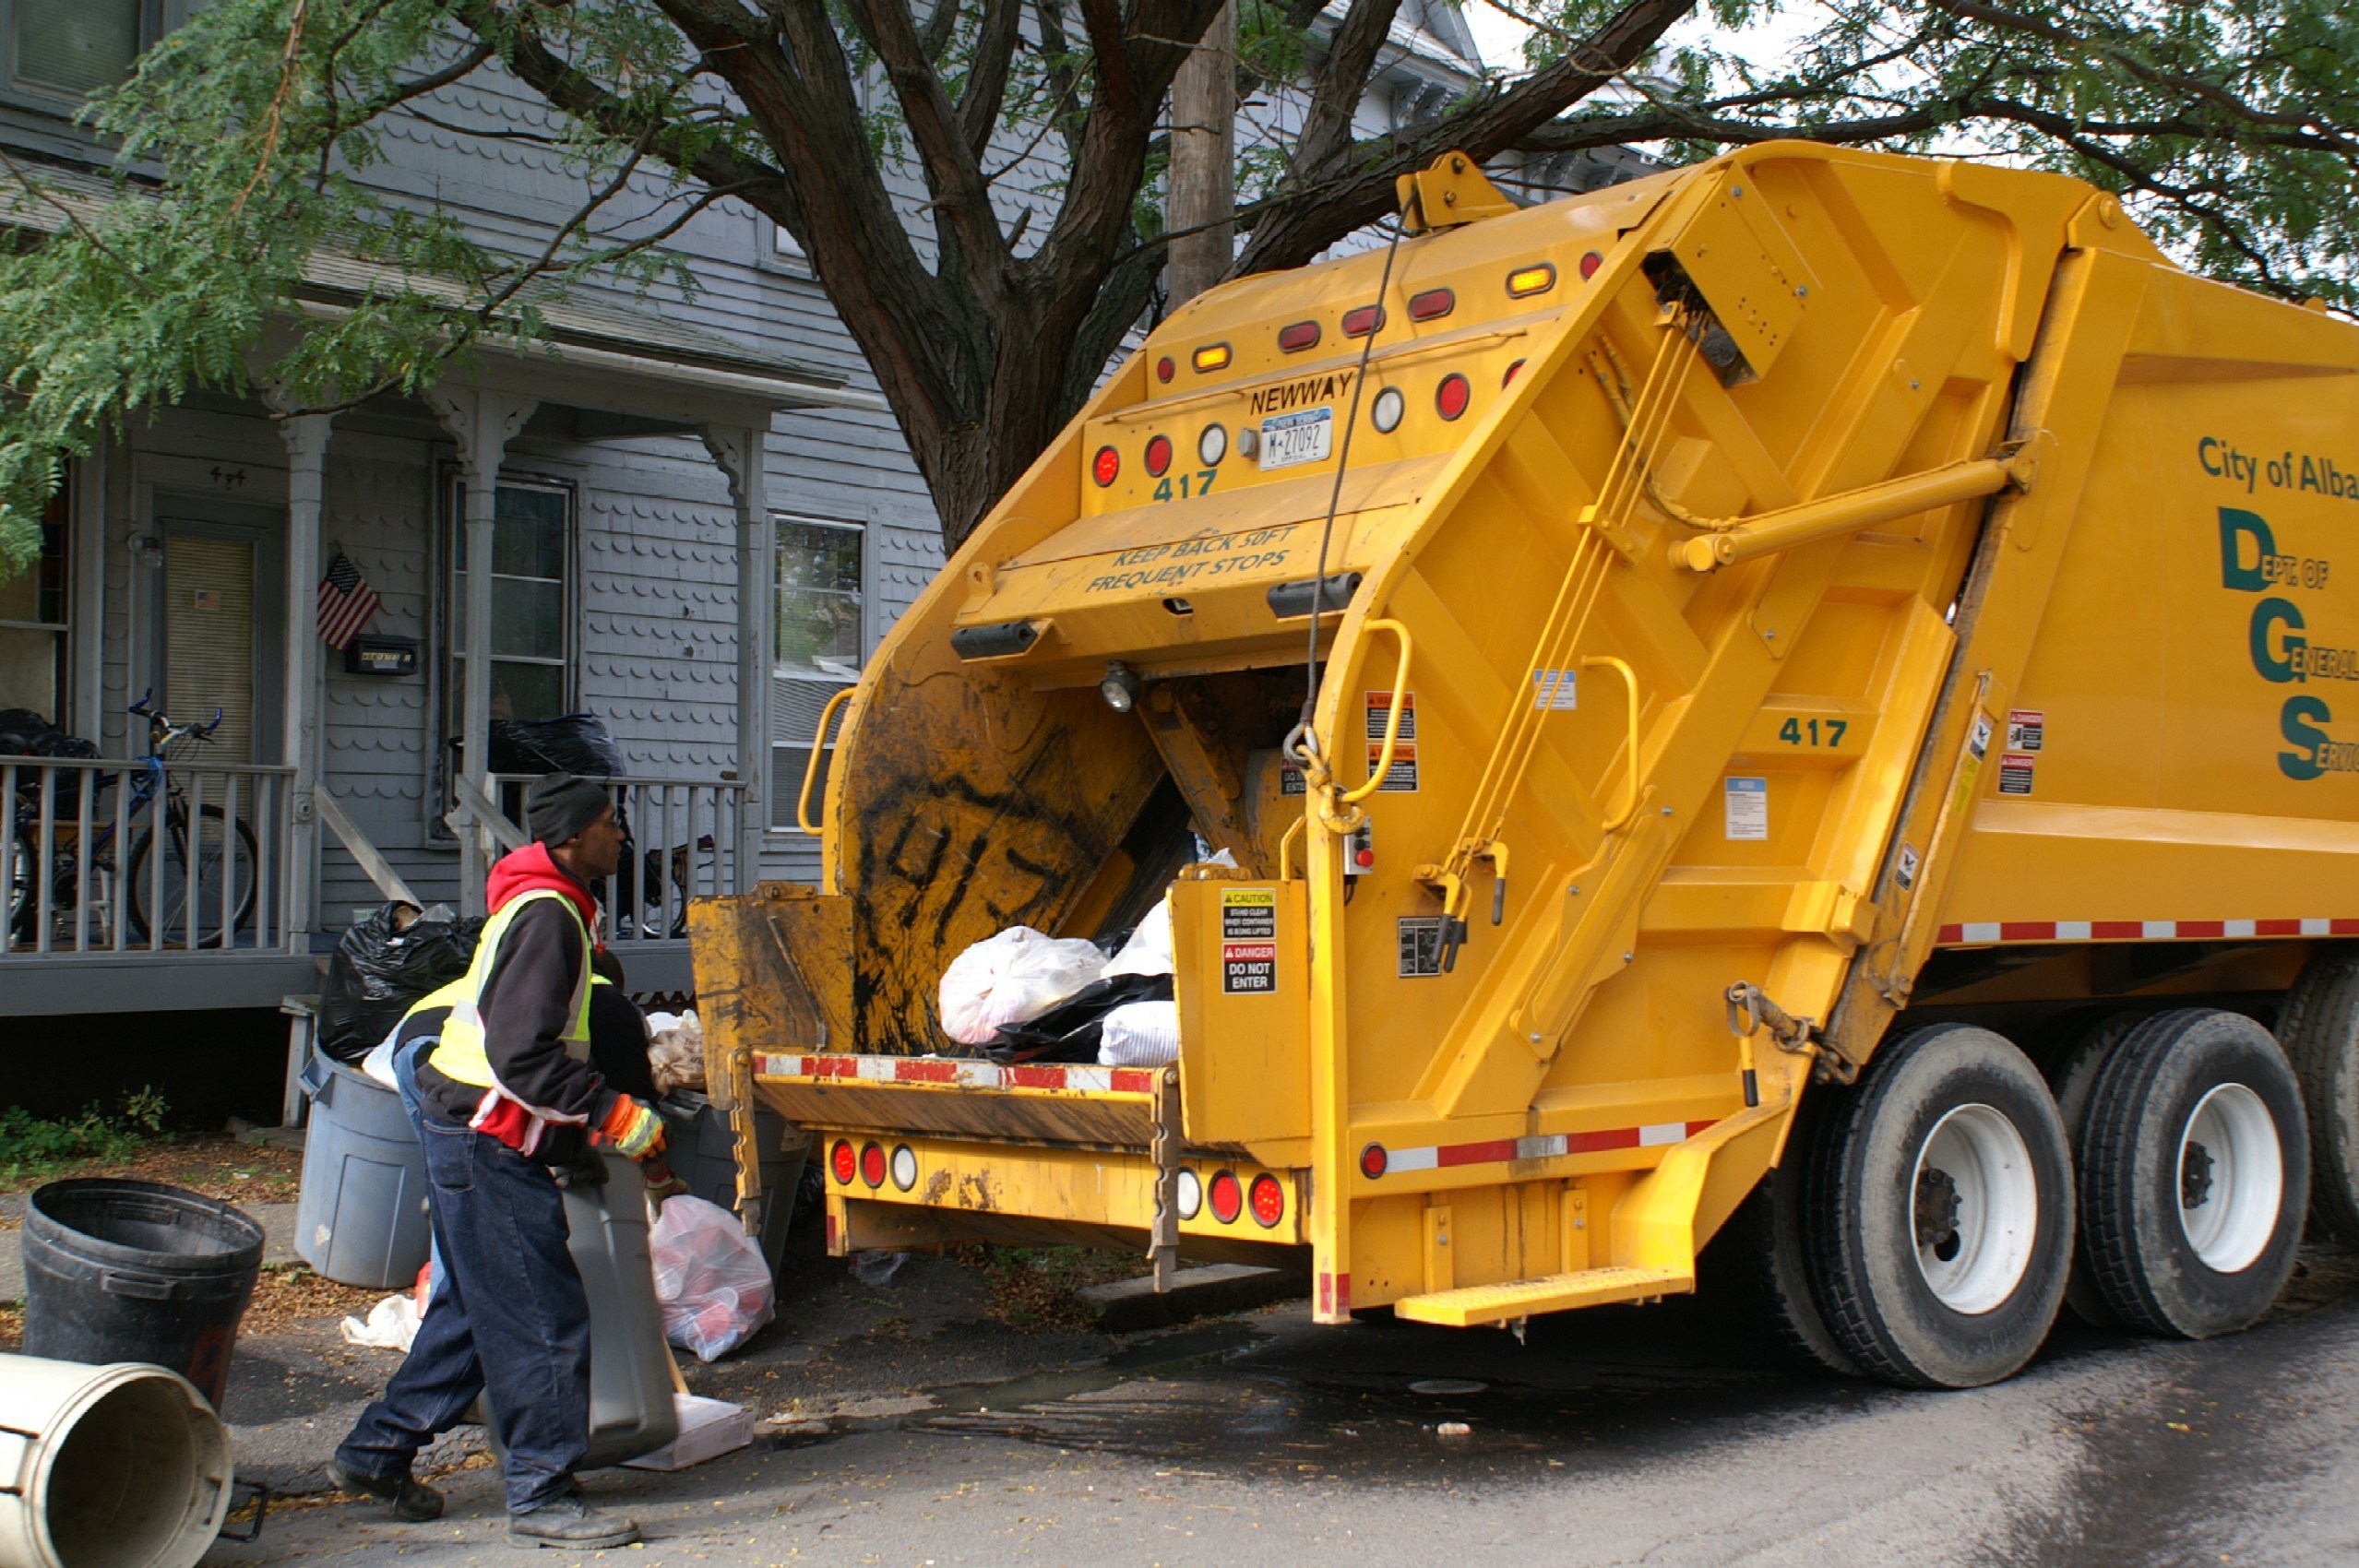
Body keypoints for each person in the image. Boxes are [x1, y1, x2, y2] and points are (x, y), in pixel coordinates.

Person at [327, 773, 667, 1549]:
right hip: (485, 1135)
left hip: (469, 1127)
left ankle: (375, 1452)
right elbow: (520, 1056)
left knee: (477, 1308)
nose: (622, 837)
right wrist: (612, 1112)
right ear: (573, 839)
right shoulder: (548, 918)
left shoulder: (543, 907)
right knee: (540, 1315)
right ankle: (542, 1493)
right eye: (611, 825)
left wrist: (573, 1141)